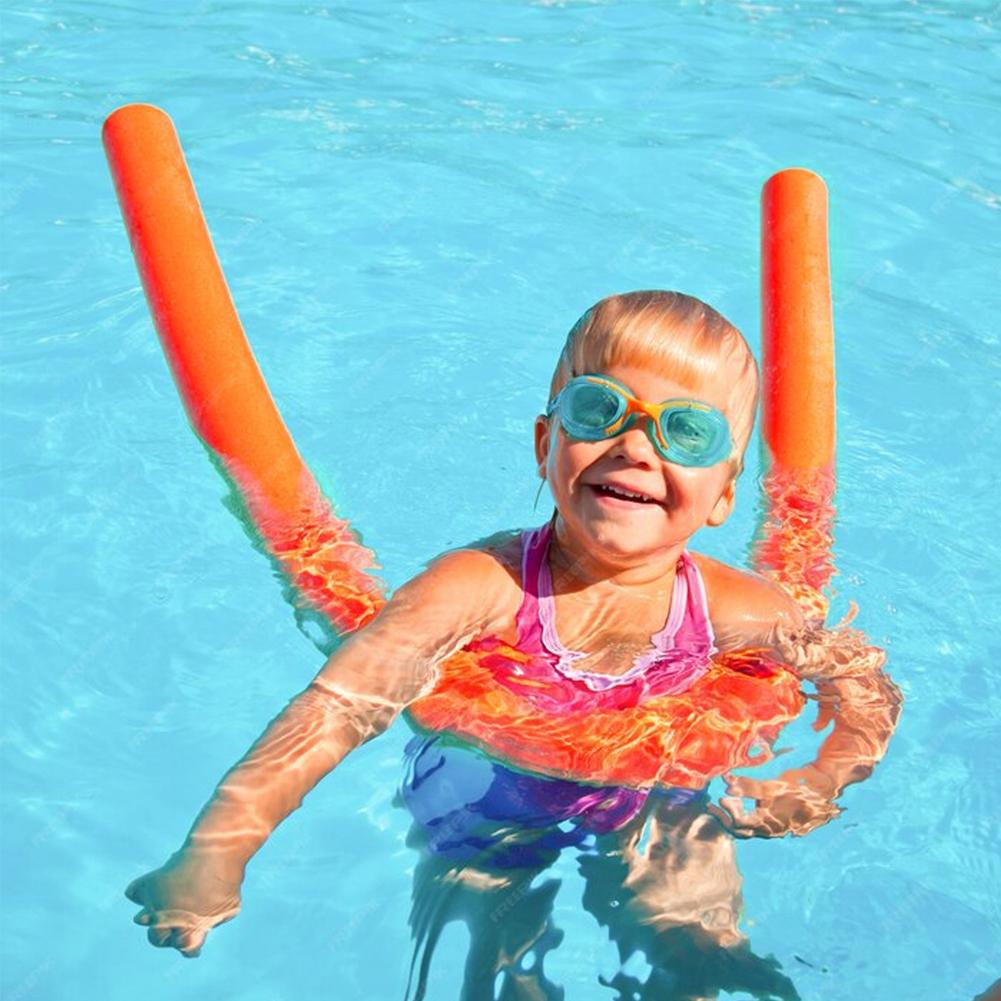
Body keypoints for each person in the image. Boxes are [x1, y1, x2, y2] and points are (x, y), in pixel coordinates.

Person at [125, 291, 899, 982]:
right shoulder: (478, 584)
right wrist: (219, 849)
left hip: (649, 800)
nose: (635, 446)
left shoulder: (734, 606)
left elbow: (858, 677)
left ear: (725, 494)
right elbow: (334, 706)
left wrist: (823, 778)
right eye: (600, 410)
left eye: (685, 432)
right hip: (481, 800)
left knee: (698, 953)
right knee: (490, 958)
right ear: (544, 443)